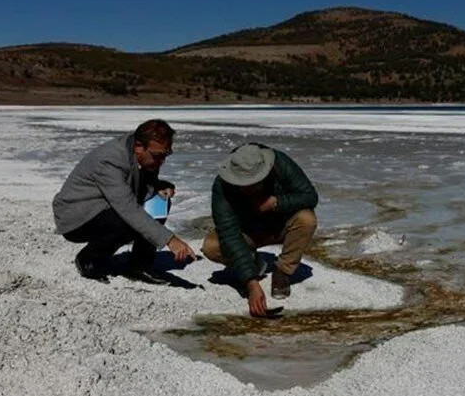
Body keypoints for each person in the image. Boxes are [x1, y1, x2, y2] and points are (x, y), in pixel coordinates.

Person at [52, 119, 195, 284]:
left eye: (166, 155)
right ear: (139, 147)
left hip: (105, 205)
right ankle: (88, 258)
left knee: (159, 201)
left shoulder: (144, 154)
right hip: (76, 216)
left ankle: (140, 265)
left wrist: (158, 186)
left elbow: (140, 183)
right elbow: (127, 207)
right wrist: (170, 239)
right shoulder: (110, 159)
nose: (162, 161)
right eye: (158, 156)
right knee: (125, 221)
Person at [201, 142, 318, 317]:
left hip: (281, 225)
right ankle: (252, 263)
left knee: (306, 219)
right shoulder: (222, 185)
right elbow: (228, 232)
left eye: (253, 183)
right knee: (212, 246)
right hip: (248, 232)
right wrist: (251, 283)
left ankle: (283, 271)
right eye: (243, 184)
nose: (248, 188)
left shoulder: (280, 164)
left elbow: (309, 196)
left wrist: (276, 203)